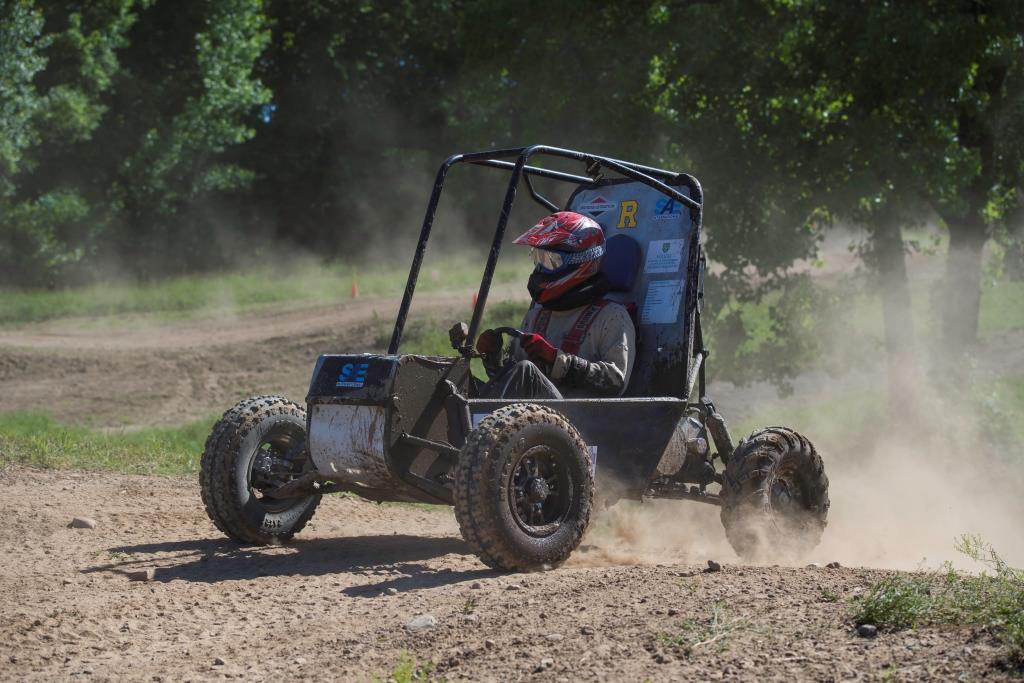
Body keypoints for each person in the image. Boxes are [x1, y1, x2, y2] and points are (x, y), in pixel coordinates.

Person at [478, 211, 636, 399]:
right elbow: (510, 382)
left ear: (583, 262)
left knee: (526, 370)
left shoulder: (612, 316)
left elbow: (616, 382)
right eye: (539, 259)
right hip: (531, 420)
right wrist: (493, 356)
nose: (541, 269)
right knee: (452, 386)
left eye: (551, 261)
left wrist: (557, 361)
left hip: (582, 420)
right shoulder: (536, 316)